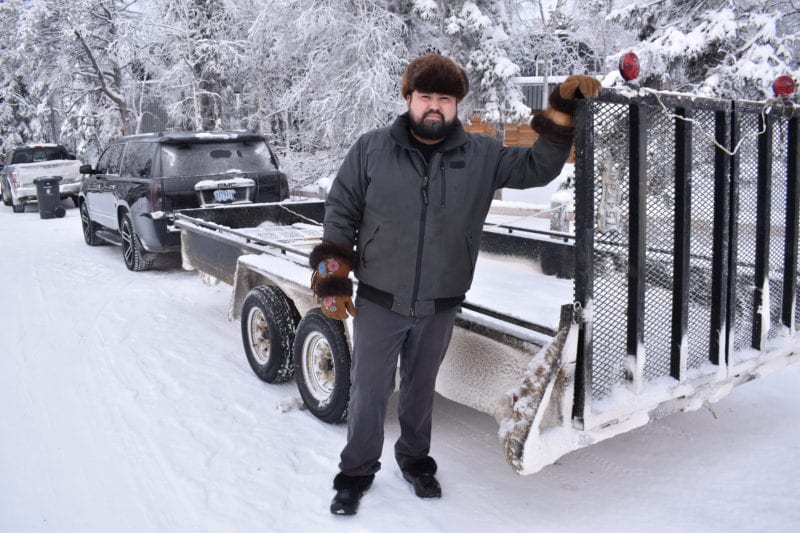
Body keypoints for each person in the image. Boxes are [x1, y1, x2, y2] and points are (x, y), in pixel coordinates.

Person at [308, 52, 600, 515]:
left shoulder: (481, 154)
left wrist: (561, 108)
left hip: (441, 301)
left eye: (445, 99)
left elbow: (539, 167)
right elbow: (340, 212)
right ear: (408, 98)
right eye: (425, 96)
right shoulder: (371, 149)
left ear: (457, 105)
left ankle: (416, 460)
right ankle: (357, 472)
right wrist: (332, 277)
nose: (434, 107)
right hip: (381, 299)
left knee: (421, 388)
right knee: (368, 391)